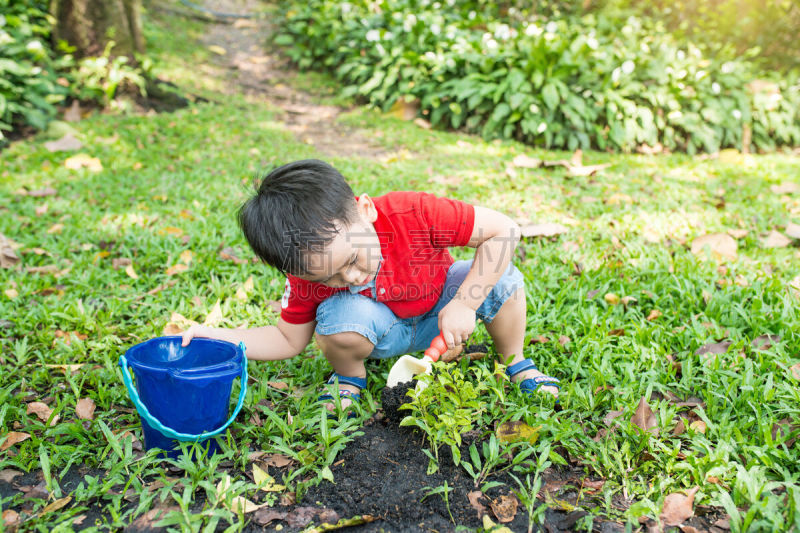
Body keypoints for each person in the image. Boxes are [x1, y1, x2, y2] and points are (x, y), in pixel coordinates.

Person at [181, 159, 559, 414]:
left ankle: (514, 360)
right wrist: (213, 336)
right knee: (339, 315)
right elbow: (287, 339)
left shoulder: (413, 214)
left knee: (502, 277)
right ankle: (350, 377)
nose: (348, 278)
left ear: (366, 210)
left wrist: (465, 302)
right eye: (325, 278)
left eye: (350, 261)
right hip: (382, 332)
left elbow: (504, 230)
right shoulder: (305, 273)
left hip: (442, 310)